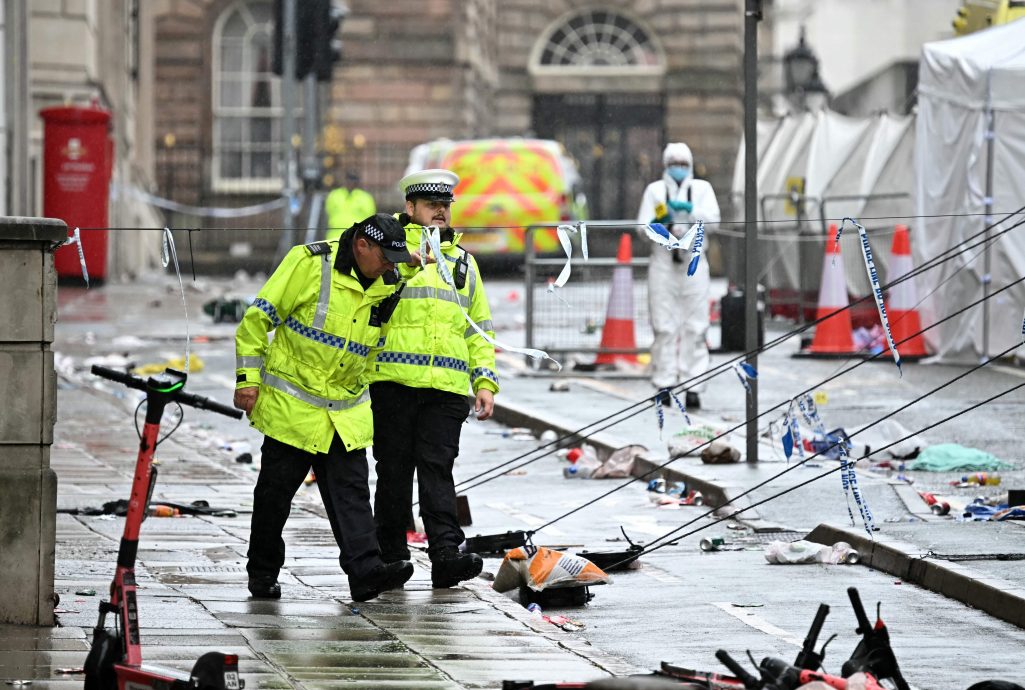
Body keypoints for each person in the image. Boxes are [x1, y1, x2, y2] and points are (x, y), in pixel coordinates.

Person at [234, 213, 417, 602]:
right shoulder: (309, 263)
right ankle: (262, 573)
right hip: (293, 407)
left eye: (394, 260)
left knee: (352, 494)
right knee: (274, 496)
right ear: (361, 245)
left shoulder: (387, 280)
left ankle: (366, 572)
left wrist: (411, 258)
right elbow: (256, 320)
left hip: (343, 409)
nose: (389, 265)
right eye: (385, 256)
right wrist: (247, 380)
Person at [368, 168, 498, 589]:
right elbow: (369, 301)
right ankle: (391, 557)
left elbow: (479, 329)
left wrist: (484, 382)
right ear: (410, 208)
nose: (440, 212)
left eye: (445, 206)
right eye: (431, 205)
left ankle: (446, 554)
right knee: (393, 472)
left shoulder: (464, 263)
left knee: (438, 470)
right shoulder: (388, 252)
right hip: (394, 382)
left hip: (446, 389)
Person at [636, 142, 721, 410]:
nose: (678, 168)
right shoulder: (655, 191)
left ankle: (693, 385)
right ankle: (665, 382)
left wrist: (690, 211)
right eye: (673, 162)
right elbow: (642, 227)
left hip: (693, 260)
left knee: (695, 326)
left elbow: (715, 221)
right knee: (664, 325)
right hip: (663, 262)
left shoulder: (702, 190)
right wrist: (660, 223)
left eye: (682, 163)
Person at [324, 171, 377, 241]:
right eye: (349, 180)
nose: (351, 183)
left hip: (356, 238)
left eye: (353, 180)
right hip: (334, 237)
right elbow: (329, 211)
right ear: (345, 181)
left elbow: (371, 218)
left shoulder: (366, 198)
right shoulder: (334, 195)